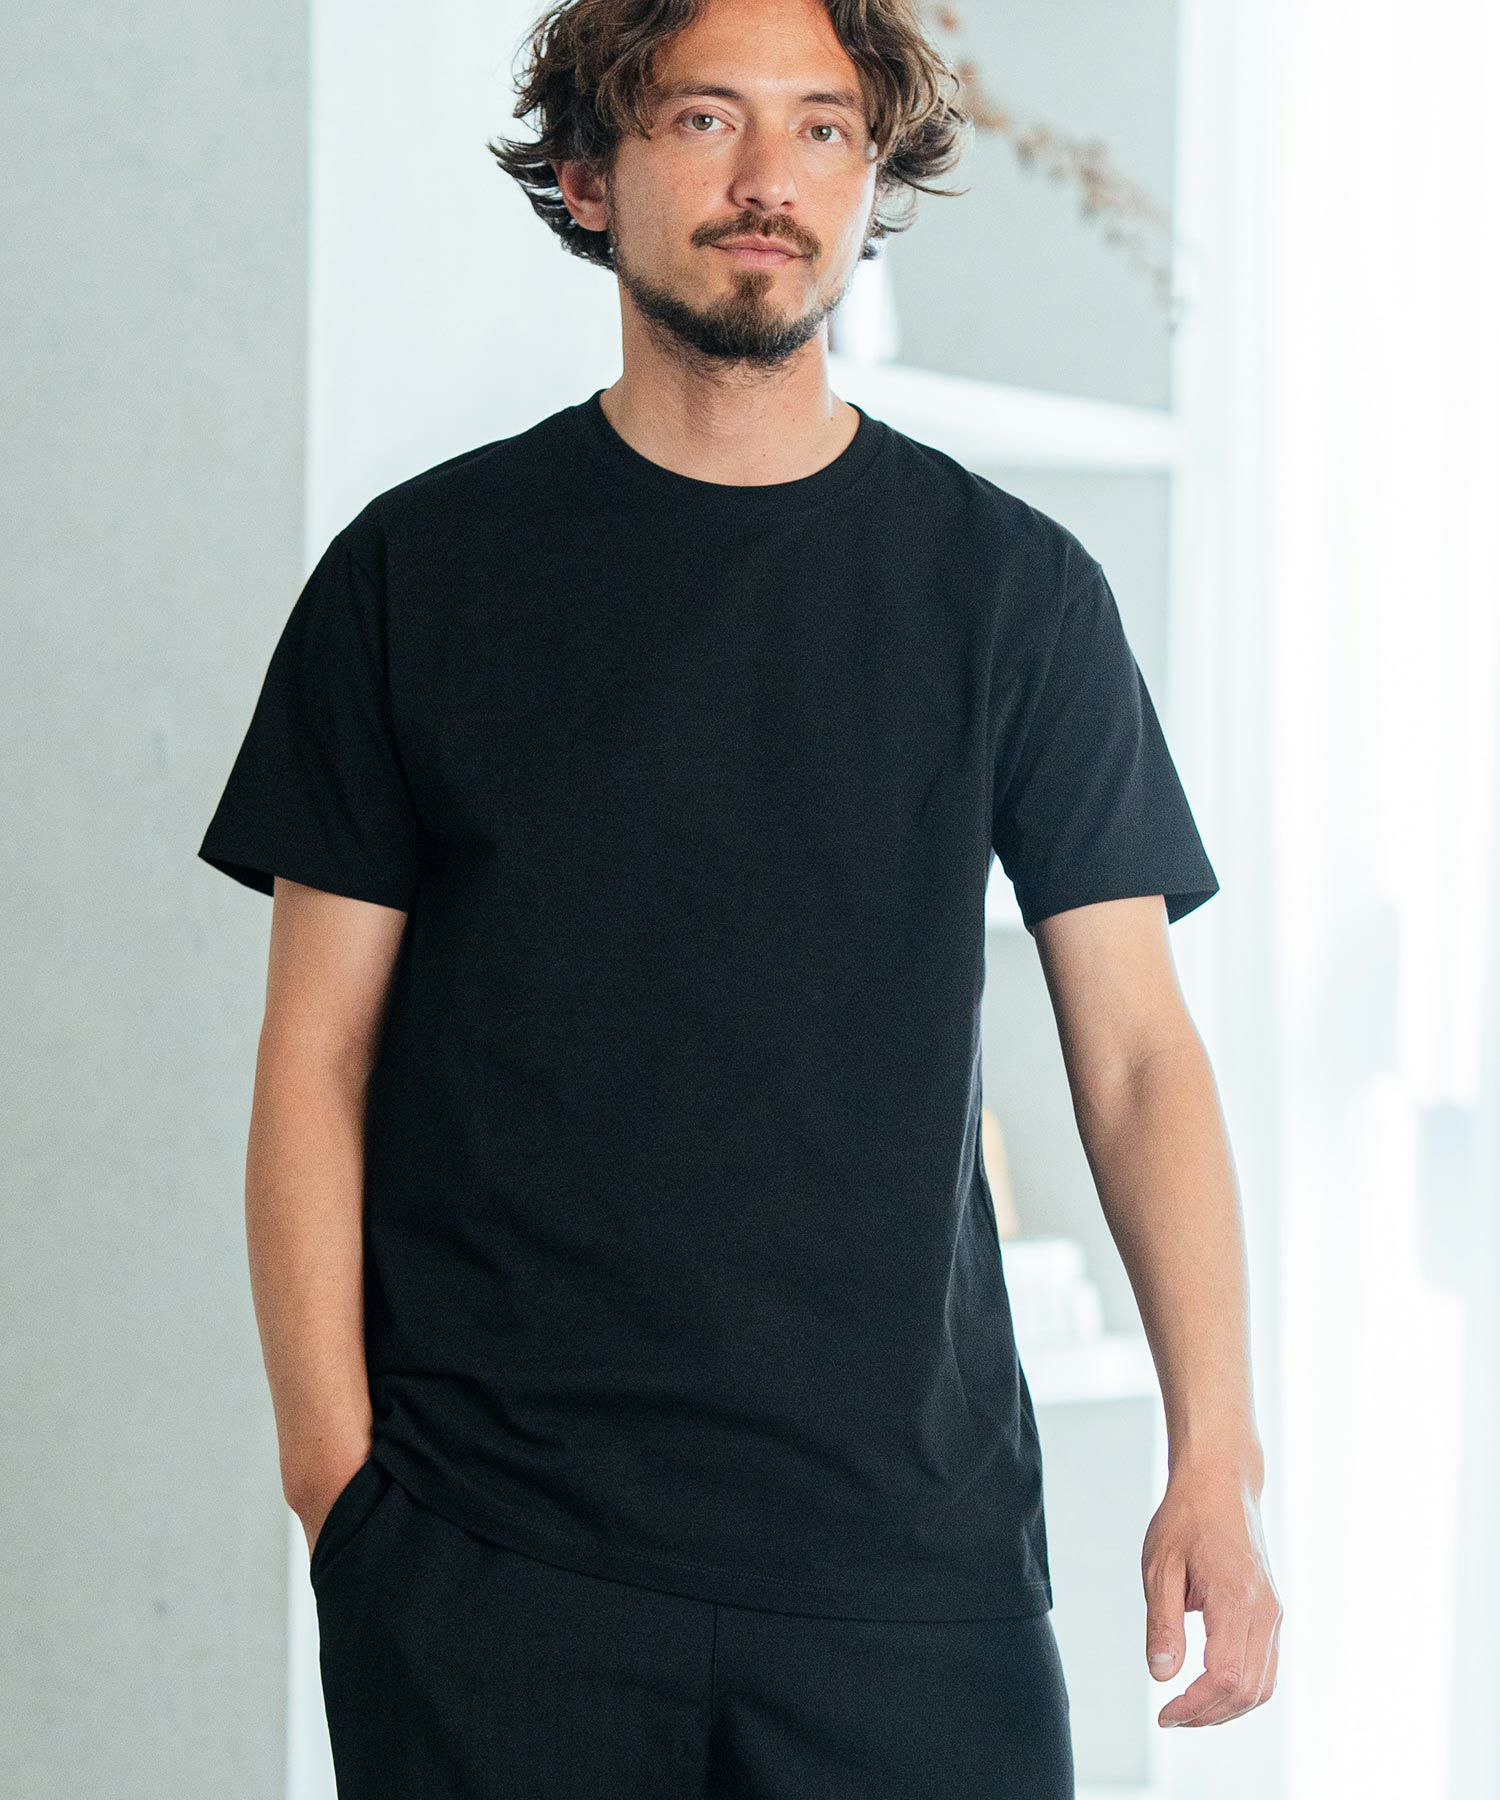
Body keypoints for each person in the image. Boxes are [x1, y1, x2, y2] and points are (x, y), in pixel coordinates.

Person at [198, 0, 1281, 1792]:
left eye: (824, 128)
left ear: (872, 179)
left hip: (913, 1588)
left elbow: (1141, 1059)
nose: (771, 177)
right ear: (587, 174)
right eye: (705, 119)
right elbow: (317, 1055)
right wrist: (340, 1489)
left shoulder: (1014, 596)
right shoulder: (414, 578)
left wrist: (1215, 1459)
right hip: (492, 1575)